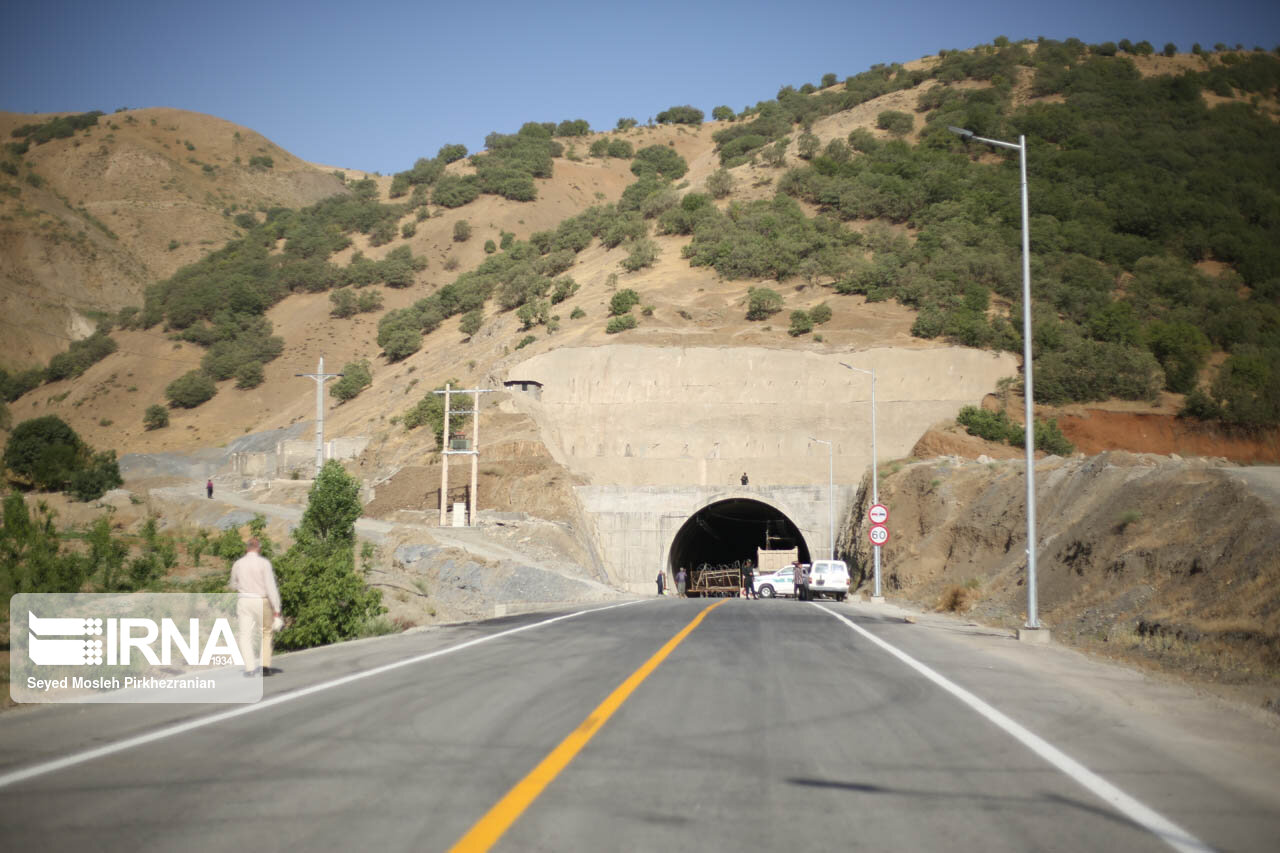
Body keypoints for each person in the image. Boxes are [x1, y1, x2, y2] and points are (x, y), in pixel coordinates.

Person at [230, 537, 282, 677]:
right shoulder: (264, 563)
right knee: (266, 632)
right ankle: (264, 666)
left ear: (247, 548)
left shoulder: (238, 564)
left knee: (245, 634)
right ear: (259, 548)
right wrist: (276, 609)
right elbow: (271, 587)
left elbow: (233, 584)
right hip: (261, 600)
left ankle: (249, 668)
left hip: (244, 600)